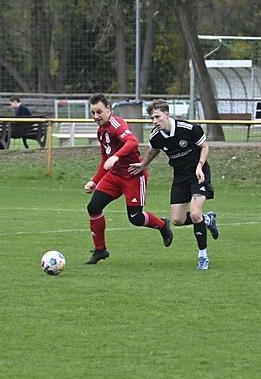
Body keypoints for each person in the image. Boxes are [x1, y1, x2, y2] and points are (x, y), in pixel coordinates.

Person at [83, 93, 172, 264]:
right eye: (93, 113)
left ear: (108, 109)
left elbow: (132, 142)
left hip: (133, 176)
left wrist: (116, 157)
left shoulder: (117, 125)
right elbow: (105, 159)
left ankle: (162, 225)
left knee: (136, 218)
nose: (96, 116)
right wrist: (95, 181)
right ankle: (100, 250)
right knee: (93, 207)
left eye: (99, 112)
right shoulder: (101, 131)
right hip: (114, 176)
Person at [130, 99, 219, 270]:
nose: (154, 121)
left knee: (195, 214)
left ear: (167, 114)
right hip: (180, 177)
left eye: (157, 117)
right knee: (177, 219)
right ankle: (208, 219)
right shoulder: (156, 136)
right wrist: (143, 165)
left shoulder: (188, 129)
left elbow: (205, 147)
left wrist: (199, 166)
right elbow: (153, 150)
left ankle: (203, 256)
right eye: (152, 118)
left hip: (198, 174)